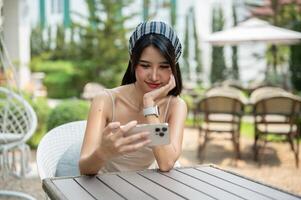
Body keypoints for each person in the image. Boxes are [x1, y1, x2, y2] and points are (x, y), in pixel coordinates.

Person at [79, 21, 187, 175]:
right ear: (133, 61)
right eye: (145, 65)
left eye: (164, 66)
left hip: (148, 189)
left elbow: (166, 162)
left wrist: (149, 106)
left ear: (174, 66)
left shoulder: (176, 106)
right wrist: (103, 152)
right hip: (106, 189)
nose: (154, 76)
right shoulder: (105, 100)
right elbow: (84, 168)